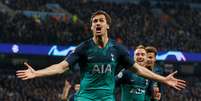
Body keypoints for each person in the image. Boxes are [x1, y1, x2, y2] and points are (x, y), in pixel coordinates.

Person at [16, 10, 186, 101]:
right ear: (91, 27)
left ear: (107, 26)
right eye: (94, 21)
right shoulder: (83, 48)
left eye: (101, 21)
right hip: (85, 97)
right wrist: (37, 72)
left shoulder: (118, 49)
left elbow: (139, 70)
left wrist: (163, 79)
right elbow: (61, 67)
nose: (97, 23)